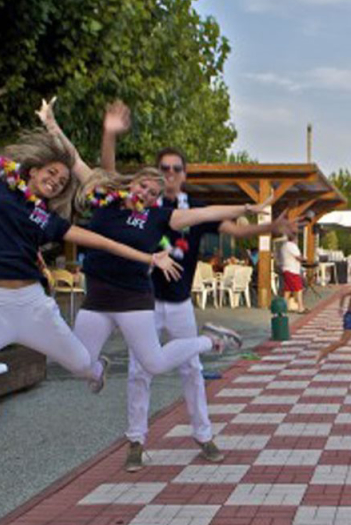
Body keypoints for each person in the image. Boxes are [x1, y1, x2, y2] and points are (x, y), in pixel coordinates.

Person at [0, 89, 172, 396]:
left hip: (30, 304)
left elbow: (101, 241)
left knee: (84, 362)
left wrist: (149, 258)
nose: (56, 181)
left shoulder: (48, 220)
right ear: (34, 171)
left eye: (61, 182)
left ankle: (97, 370)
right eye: (52, 173)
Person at [98, 111, 288, 463]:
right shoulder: (141, 204)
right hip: (144, 301)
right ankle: (136, 442)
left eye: (176, 169)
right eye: (164, 169)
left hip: (181, 302)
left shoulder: (194, 208)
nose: (170, 174)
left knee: (192, 368)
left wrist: (269, 227)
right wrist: (109, 134)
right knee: (140, 371)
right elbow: (107, 177)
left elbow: (235, 231)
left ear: (184, 175)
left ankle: (203, 435)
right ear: (156, 175)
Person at [278, 227, 306, 313]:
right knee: (299, 289)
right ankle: (300, 308)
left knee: (288, 290)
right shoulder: (292, 246)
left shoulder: (284, 245)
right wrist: (304, 258)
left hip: (286, 269)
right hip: (292, 270)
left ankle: (283, 307)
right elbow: (299, 257)